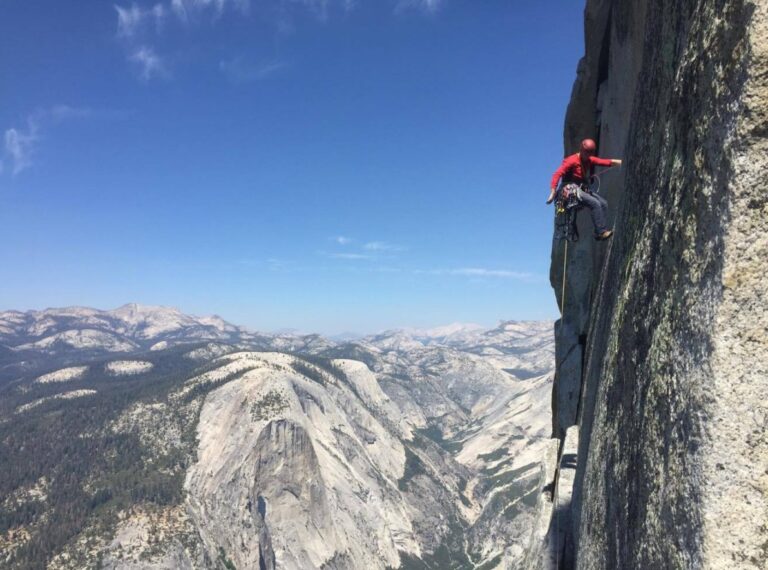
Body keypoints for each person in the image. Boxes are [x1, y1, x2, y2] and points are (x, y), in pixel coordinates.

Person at [547, 139, 622, 240]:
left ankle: (597, 232)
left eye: (589, 154)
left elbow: (606, 162)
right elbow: (557, 174)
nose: (587, 156)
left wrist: (623, 161)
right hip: (569, 190)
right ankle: (601, 232)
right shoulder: (571, 160)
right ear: (581, 150)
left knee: (603, 204)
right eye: (586, 153)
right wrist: (552, 192)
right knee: (594, 203)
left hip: (579, 189)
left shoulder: (589, 159)